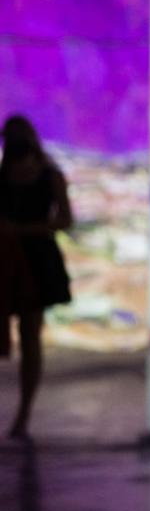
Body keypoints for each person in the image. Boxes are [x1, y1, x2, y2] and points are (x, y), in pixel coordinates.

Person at [0, 115, 74, 439]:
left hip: (36, 261)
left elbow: (64, 220)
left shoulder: (50, 175)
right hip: (7, 259)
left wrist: (22, 230)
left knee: (30, 335)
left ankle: (23, 414)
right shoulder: (3, 177)